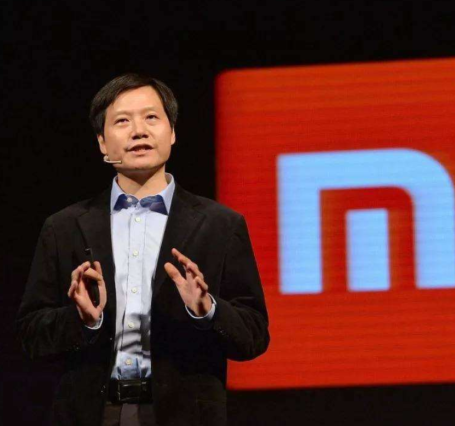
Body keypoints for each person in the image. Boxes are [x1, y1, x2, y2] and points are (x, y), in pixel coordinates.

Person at [16, 73, 270, 426]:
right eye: (122, 121)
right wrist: (83, 320)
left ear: (172, 132)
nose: (139, 131)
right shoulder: (64, 227)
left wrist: (207, 310)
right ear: (102, 142)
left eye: (151, 117)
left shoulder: (220, 225)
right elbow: (30, 335)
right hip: (90, 413)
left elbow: (254, 335)